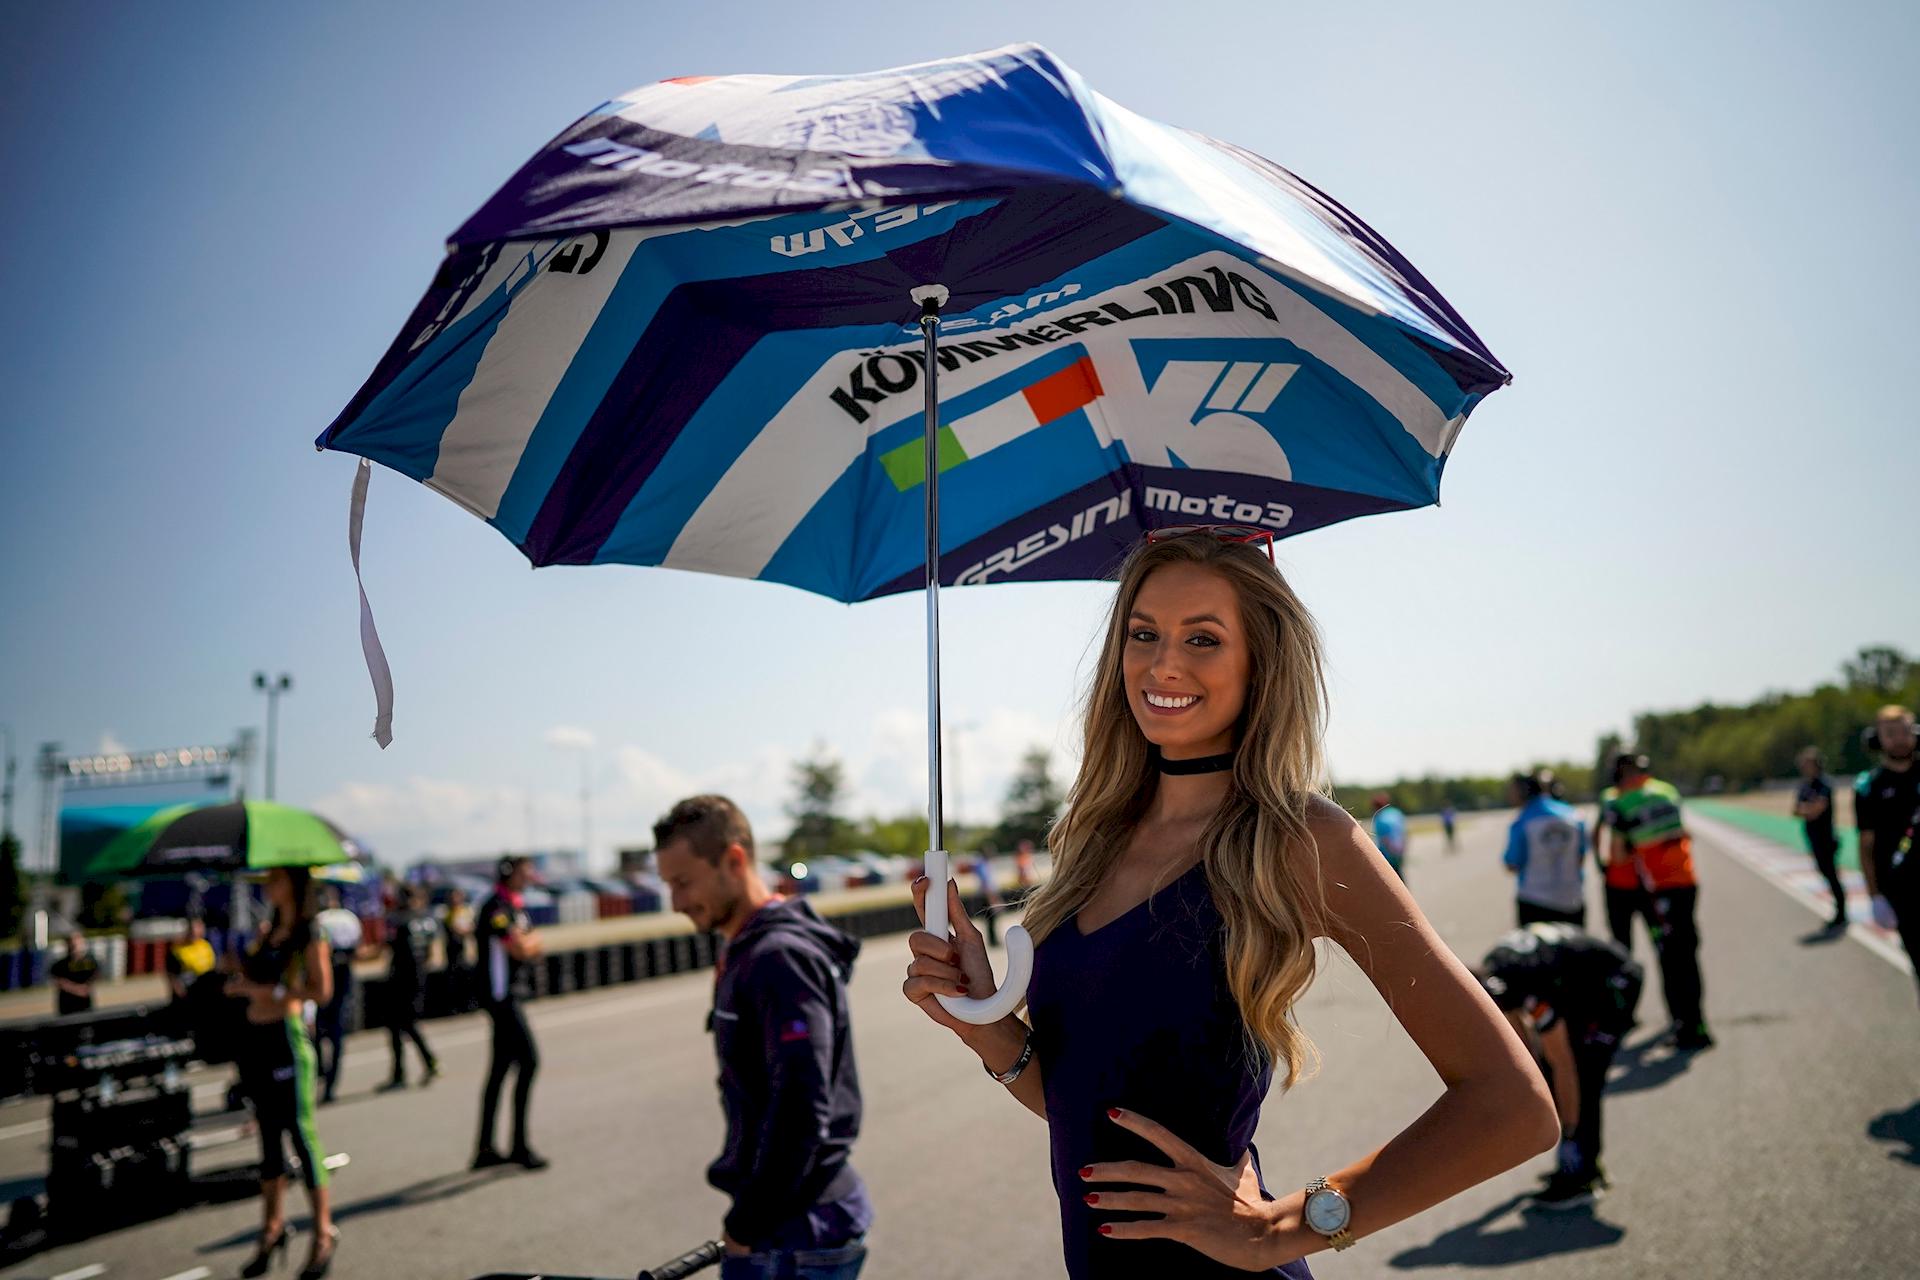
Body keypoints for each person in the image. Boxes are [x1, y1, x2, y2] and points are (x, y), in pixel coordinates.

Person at [903, 528, 1556, 1277]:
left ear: (1261, 664)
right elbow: (1096, 1112)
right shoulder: (1097, 841)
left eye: (1203, 638)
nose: (1163, 662)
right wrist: (982, 1021)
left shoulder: (1301, 840)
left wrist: (1290, 1225)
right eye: (1142, 633)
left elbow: (1513, 1105)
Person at [655, 795, 870, 1279]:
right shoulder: (751, 945)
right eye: (668, 885)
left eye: (683, 882)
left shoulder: (778, 957)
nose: (676, 903)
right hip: (792, 1219)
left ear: (732, 860)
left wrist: (747, 1223)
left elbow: (801, 1104)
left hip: (794, 1230)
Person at [1476, 923, 1643, 1209]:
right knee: (1555, 1071)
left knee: (1583, 1075)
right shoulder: (1496, 971)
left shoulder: (1527, 987)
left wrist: (1566, 1131)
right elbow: (1524, 1050)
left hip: (1616, 983)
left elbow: (1561, 1063)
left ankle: (1581, 1173)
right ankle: (1584, 1161)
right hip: (1579, 981)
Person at [225, 867, 338, 1279]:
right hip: (255, 1041)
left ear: (293, 883)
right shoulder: (268, 930)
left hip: (287, 1041)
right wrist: (238, 974)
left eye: (274, 877)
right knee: (268, 1139)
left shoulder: (309, 933)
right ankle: (272, 1228)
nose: (267, 884)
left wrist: (269, 992)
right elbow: (258, 979)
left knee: (301, 1134)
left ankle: (322, 1231)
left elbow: (321, 991)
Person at [1605, 754, 1712, 1050]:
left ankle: (1687, 1028)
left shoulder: (1620, 803)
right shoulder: (1667, 790)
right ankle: (1698, 1023)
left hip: (1660, 888)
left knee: (1672, 960)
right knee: (1688, 954)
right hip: (1688, 880)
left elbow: (1618, 856)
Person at [472, 856, 547, 1170]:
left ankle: (485, 1148)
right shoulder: (497, 907)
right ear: (509, 873)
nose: (529, 875)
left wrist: (530, 942)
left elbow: (529, 942)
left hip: (511, 995)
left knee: (501, 1069)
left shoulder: (514, 904)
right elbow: (520, 947)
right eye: (524, 870)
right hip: (502, 998)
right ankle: (518, 1145)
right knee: (529, 1062)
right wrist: (531, 942)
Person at [1855, 705, 1920, 999]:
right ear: (1877, 740)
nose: (1899, 739)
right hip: (1902, 894)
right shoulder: (1869, 786)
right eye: (1890, 734)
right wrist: (1874, 895)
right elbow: (1866, 845)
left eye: (1905, 731)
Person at [1503, 770, 1588, 926]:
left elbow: (1511, 864)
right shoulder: (1575, 816)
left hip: (1535, 902)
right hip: (1573, 900)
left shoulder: (1522, 821)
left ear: (1523, 791)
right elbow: (1581, 857)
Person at [380, 884, 440, 1091]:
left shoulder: (399, 920)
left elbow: (385, 947)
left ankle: (424, 1062)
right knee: (403, 1025)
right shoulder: (426, 919)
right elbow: (431, 951)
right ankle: (403, 1070)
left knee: (402, 1024)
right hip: (418, 976)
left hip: (401, 978)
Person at [312, 890, 361, 1104]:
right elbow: (358, 948)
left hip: (329, 974)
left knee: (321, 1028)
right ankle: (328, 1079)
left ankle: (324, 1075)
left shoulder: (320, 921)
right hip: (342, 975)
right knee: (334, 1032)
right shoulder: (348, 918)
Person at [1794, 747, 1849, 931]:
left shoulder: (1824, 783)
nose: (1805, 767)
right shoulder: (1804, 785)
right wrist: (1809, 810)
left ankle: (1842, 912)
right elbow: (1796, 810)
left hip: (1827, 838)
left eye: (1808, 763)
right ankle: (1839, 907)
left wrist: (1807, 809)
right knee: (1824, 872)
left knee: (1831, 874)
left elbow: (1818, 808)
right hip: (1813, 839)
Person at [442, 886, 477, 1013]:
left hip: (466, 951)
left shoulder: (466, 910)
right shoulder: (447, 913)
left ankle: (469, 1003)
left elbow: (471, 926)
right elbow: (457, 928)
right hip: (453, 953)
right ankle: (455, 1006)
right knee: (454, 980)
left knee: (467, 978)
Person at [50, 931, 99, 1016]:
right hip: (67, 1005)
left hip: (85, 1004)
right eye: (72, 943)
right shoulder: (61, 965)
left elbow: (94, 976)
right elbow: (59, 981)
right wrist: (77, 989)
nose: (75, 946)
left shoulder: (89, 962)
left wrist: (85, 987)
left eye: (77, 943)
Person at [1370, 791, 1409, 879]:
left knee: (1392, 877)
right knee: (1400, 875)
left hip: (1388, 853)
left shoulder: (1379, 819)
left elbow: (1385, 839)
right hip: (1400, 848)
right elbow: (1404, 831)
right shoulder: (1396, 813)